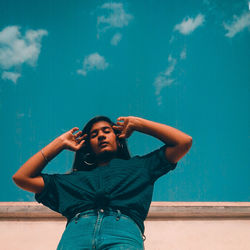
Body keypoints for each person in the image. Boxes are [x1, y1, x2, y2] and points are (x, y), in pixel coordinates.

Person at [12, 115, 192, 250]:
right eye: (94, 134)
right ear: (87, 145)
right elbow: (22, 177)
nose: (101, 136)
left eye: (107, 131)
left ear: (118, 138)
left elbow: (183, 142)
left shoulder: (141, 166)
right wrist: (60, 143)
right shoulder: (70, 180)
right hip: (76, 235)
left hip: (123, 234)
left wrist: (138, 124)